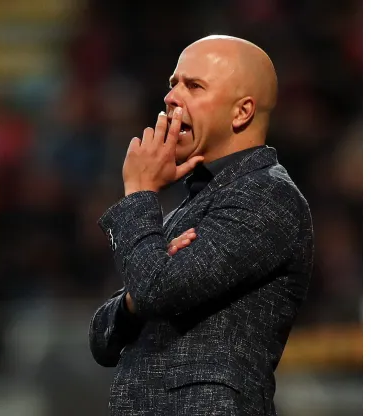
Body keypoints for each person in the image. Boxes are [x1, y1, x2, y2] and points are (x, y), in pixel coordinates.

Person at [88, 35, 313, 415]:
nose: (172, 97)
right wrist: (132, 299)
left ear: (241, 112)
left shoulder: (268, 195)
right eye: (172, 83)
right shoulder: (191, 204)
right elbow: (101, 339)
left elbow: (157, 290)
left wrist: (139, 193)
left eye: (194, 86)